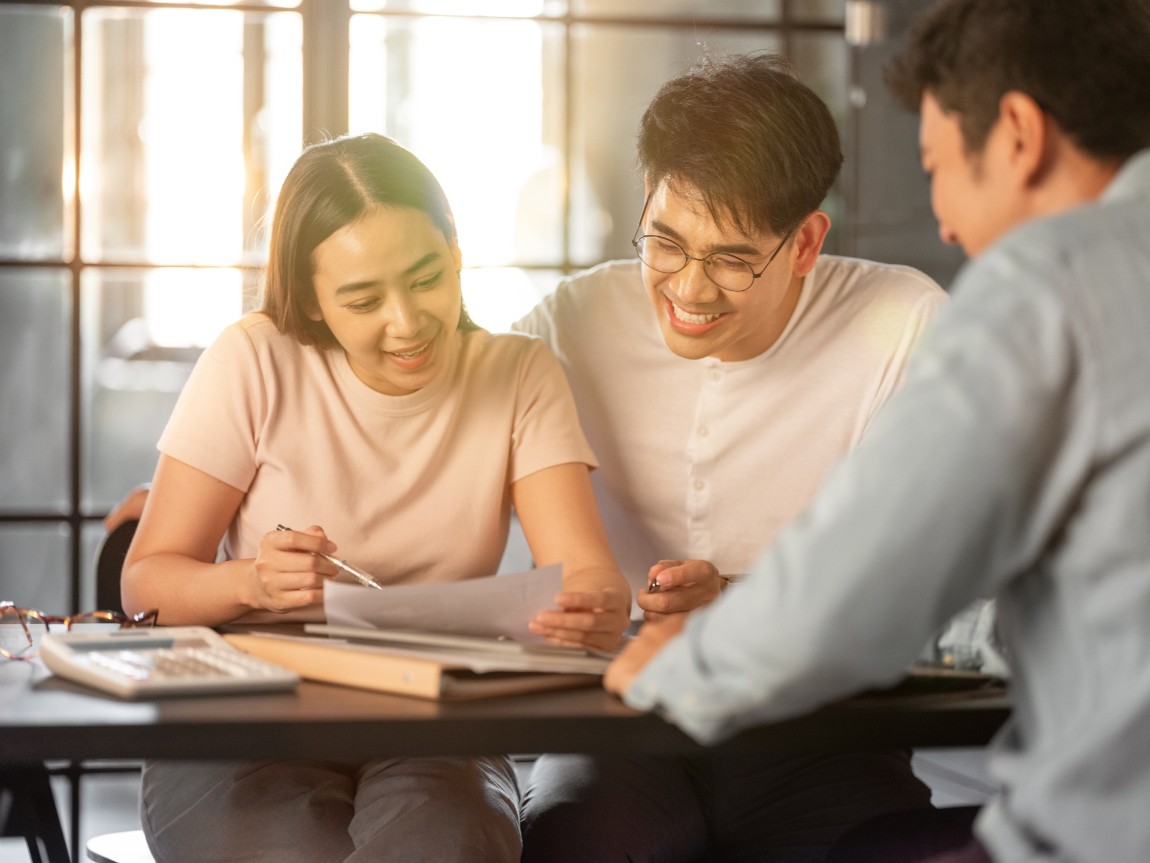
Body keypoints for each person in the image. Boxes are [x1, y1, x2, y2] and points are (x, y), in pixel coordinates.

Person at [604, 2, 1150, 862]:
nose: (943, 219)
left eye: (934, 166)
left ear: (1016, 134)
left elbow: (855, 596)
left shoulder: (1047, 284)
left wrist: (679, 668)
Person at [120, 132, 630, 863]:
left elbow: (586, 575)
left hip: (435, 724)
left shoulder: (518, 374)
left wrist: (595, 605)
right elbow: (146, 584)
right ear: (313, 299)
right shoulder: (253, 358)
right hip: (244, 725)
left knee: (445, 843)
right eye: (363, 298)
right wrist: (252, 581)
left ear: (455, 249)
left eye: (426, 278)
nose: (407, 320)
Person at [516, 53, 949, 861]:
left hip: (821, 732)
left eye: (732, 259)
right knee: (573, 841)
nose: (689, 290)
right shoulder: (569, 322)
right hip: (621, 730)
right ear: (644, 201)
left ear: (807, 241)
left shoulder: (905, 325)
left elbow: (928, 589)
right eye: (667, 243)